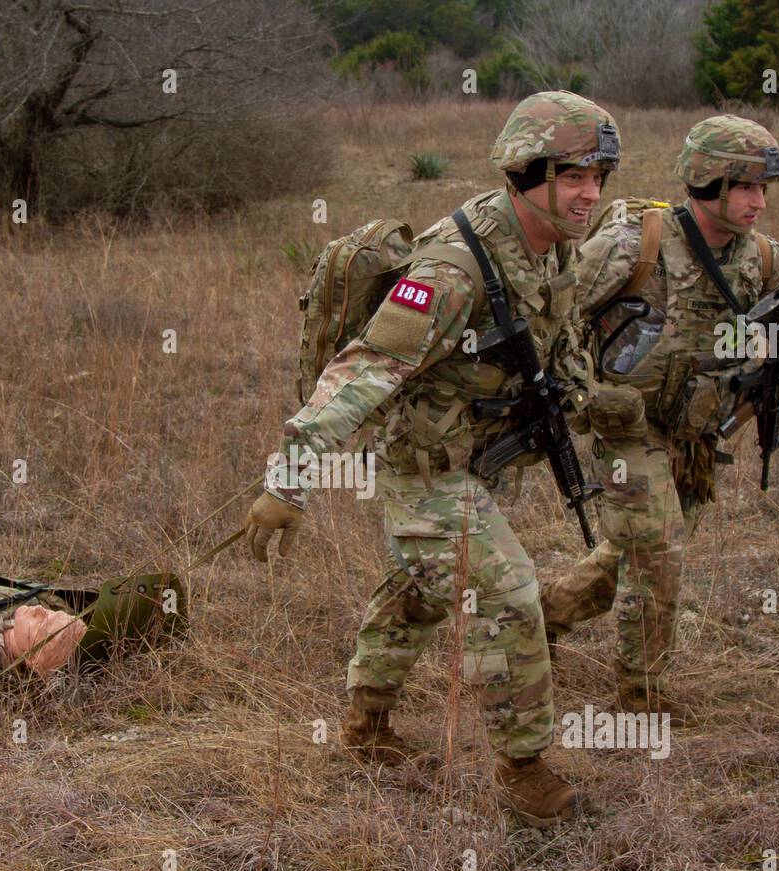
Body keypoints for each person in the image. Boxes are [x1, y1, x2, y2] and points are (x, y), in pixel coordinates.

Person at [244, 91, 622, 827]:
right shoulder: (454, 269)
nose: (591, 194)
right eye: (576, 177)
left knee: (419, 591)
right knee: (509, 596)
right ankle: (524, 768)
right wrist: (288, 478)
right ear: (528, 174)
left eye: (599, 178)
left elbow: (561, 340)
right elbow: (365, 369)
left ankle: (365, 725)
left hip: (477, 459)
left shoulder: (555, 249)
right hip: (425, 468)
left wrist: (589, 400)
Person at [540, 115, 779, 722]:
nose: (759, 202)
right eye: (746, 187)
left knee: (635, 551)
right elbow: (556, 314)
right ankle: (639, 700)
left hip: (697, 435)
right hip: (627, 430)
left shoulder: (762, 258)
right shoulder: (634, 244)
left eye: (764, 189)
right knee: (659, 554)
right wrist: (581, 397)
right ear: (707, 183)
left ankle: (542, 612)